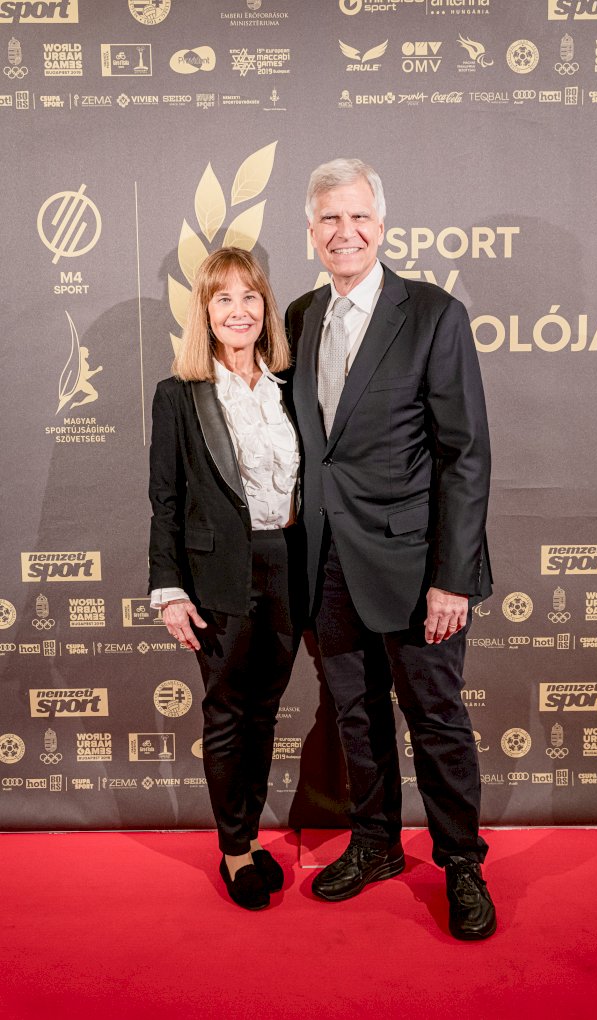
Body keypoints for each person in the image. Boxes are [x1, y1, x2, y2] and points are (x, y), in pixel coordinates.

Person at [286, 159, 496, 940]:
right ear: (311, 231)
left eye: (358, 217)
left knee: (435, 718)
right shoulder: (301, 315)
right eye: (329, 219)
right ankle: (374, 843)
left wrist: (453, 578)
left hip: (416, 566)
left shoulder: (434, 314)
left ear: (382, 224)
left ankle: (462, 863)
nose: (345, 232)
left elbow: (463, 455)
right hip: (326, 562)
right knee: (356, 714)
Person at [148, 247, 302, 911]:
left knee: (265, 710)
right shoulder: (180, 395)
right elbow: (165, 500)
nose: (239, 311)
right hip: (217, 574)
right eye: (223, 299)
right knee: (227, 711)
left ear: (265, 307)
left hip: (288, 563)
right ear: (204, 313)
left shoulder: (291, 387)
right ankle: (235, 849)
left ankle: (251, 835)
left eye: (250, 296)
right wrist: (168, 587)